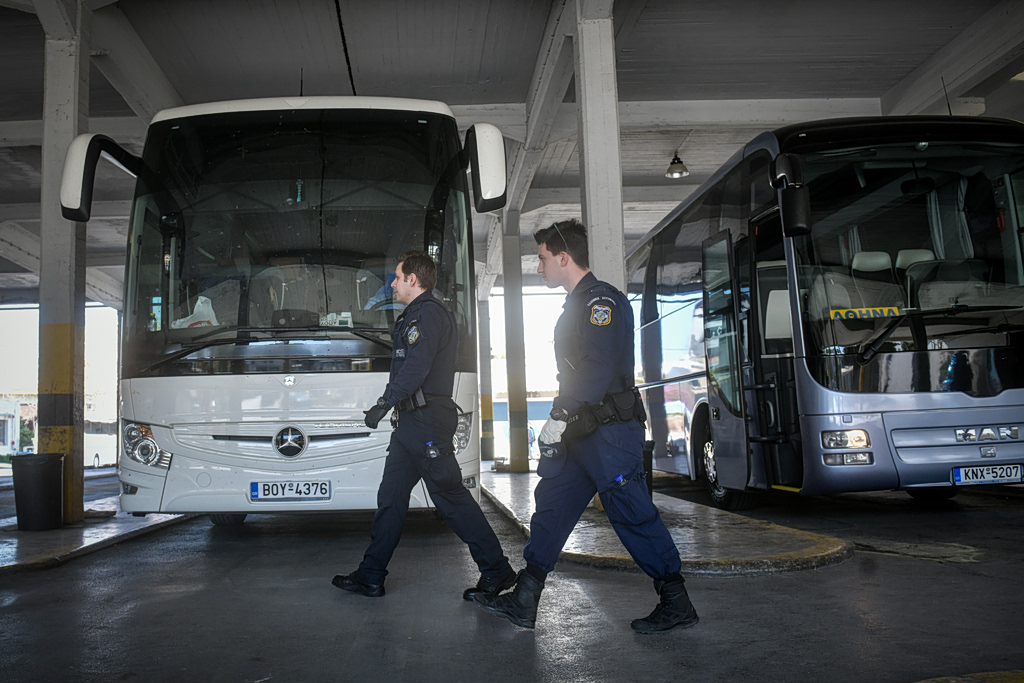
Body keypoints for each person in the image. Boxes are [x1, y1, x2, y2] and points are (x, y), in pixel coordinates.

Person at [473, 219, 698, 634]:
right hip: (582, 432)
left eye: (542, 259)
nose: (539, 267)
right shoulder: (577, 304)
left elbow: (597, 367)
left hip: (610, 432)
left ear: (564, 257)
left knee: (630, 511)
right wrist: (565, 418)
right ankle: (526, 597)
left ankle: (675, 599)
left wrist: (558, 414)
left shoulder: (601, 302)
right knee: (553, 505)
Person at [334, 251, 515, 600]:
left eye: (398, 277)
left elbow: (415, 368)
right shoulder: (414, 315)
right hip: (411, 425)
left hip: (426, 421)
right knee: (391, 498)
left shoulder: (428, 314)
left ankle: (497, 571)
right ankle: (371, 575)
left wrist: (383, 403)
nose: (393, 283)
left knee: (450, 497)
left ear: (413, 280)